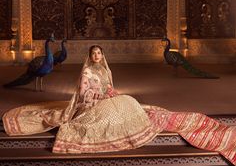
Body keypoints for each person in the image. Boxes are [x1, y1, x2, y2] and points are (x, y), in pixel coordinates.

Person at [2, 45, 236, 165]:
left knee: (130, 102)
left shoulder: (105, 69)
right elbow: (84, 94)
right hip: (89, 106)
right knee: (116, 111)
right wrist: (99, 96)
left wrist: (110, 92)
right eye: (93, 53)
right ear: (89, 56)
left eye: (98, 53)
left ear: (102, 56)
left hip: (105, 100)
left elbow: (107, 87)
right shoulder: (86, 71)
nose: (96, 56)